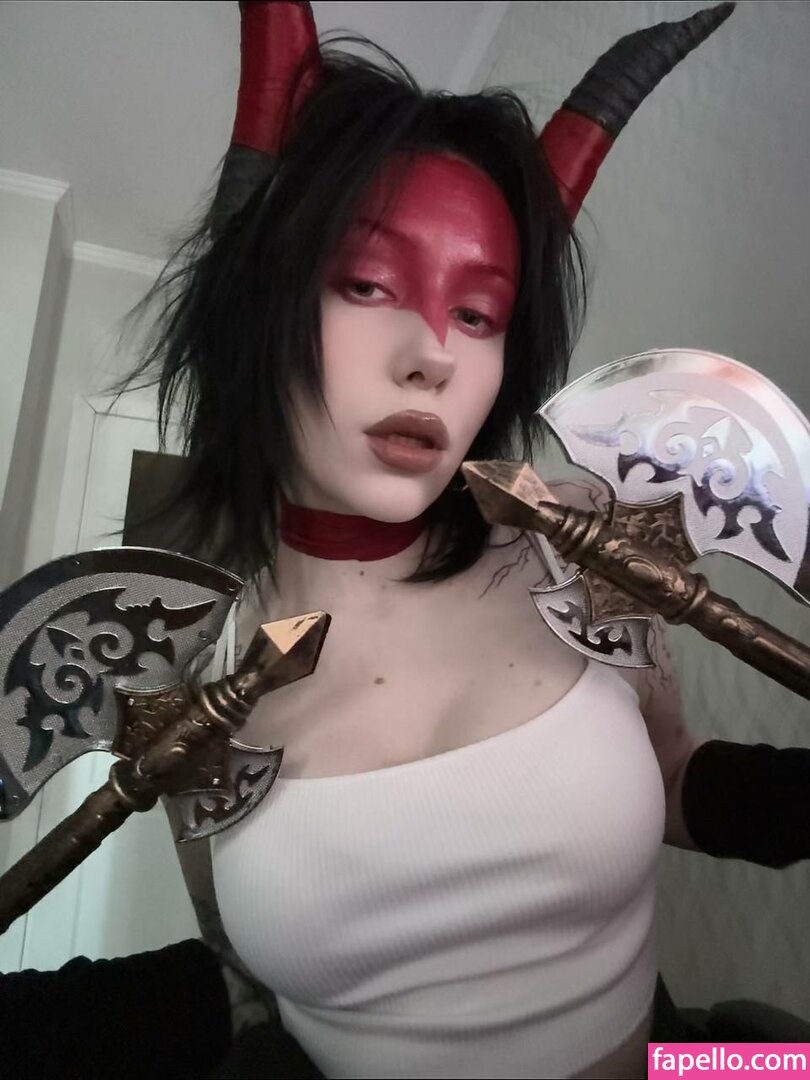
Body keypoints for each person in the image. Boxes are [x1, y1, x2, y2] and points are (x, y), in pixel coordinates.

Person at [109, 2, 807, 1077]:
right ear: (256, 315)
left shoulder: (585, 554)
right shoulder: (186, 687)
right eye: (367, 283)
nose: (432, 354)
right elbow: (236, 967)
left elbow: (668, 777)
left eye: (479, 313)